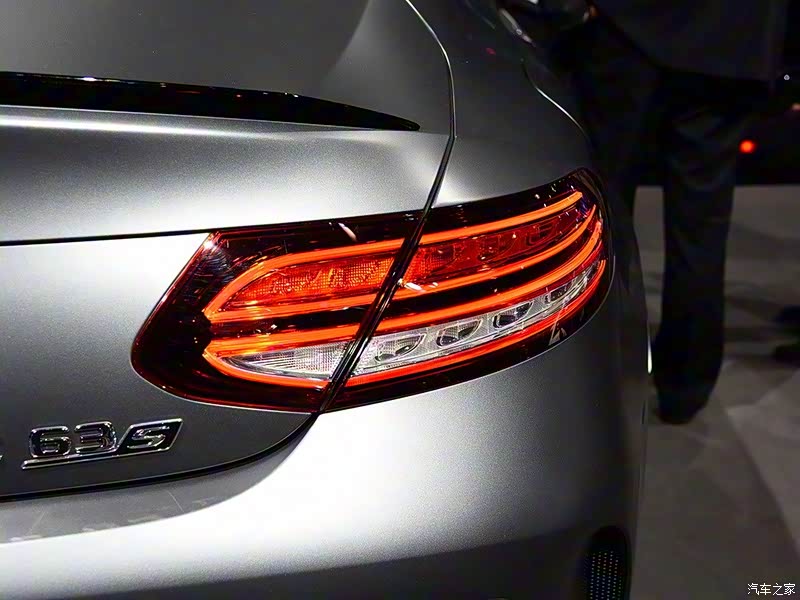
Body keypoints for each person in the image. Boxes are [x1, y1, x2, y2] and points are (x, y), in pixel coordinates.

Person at [563, 1, 789, 423]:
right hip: (736, 40)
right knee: (701, 224)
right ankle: (685, 385)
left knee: (608, 212)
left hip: (633, 29)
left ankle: (606, 373)